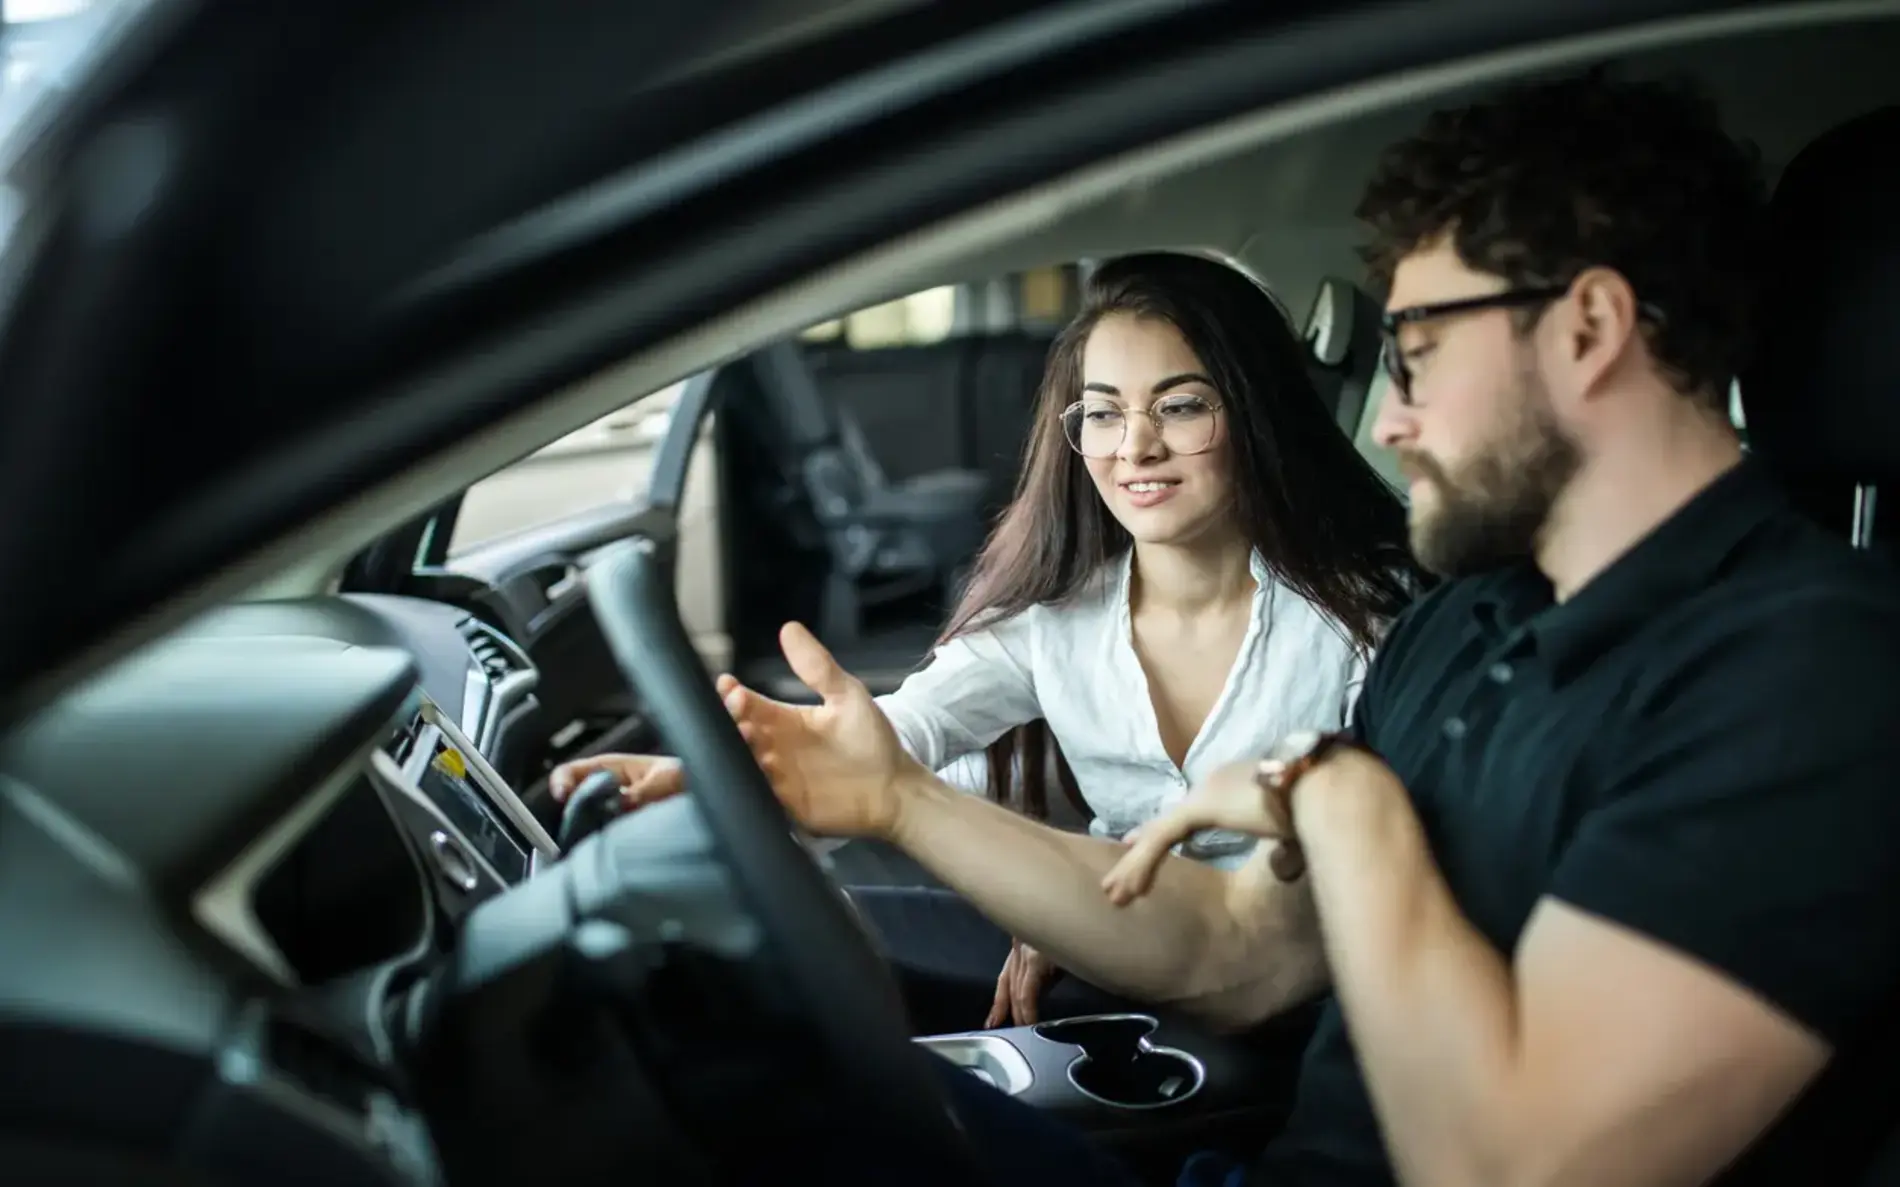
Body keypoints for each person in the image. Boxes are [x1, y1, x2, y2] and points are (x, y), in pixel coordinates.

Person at [661, 70, 1900, 1187]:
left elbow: (1512, 1164)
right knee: (735, 1078)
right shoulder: (1469, 622)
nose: (1394, 418)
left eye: (1415, 348)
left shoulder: (1807, 674)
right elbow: (1240, 948)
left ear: (1587, 328)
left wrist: (1340, 797)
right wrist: (893, 799)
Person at [553, 250, 1420, 1034]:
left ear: (1257, 411)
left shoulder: (1365, 621)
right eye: (1104, 414)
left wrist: (1071, 909)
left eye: (1182, 406)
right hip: (1115, 971)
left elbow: (1314, 920)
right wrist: (722, 787)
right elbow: (904, 732)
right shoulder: (1056, 617)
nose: (1136, 448)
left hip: (1301, 1011)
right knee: (773, 946)